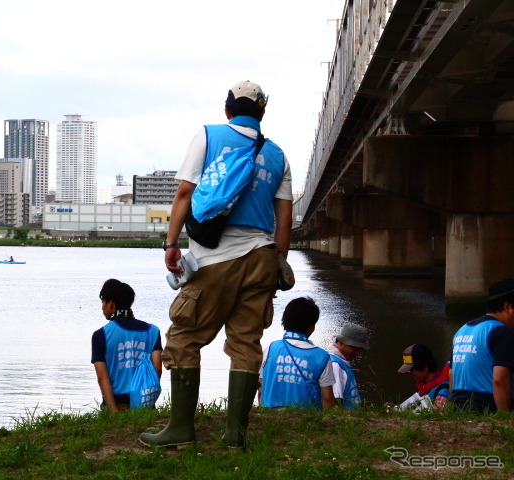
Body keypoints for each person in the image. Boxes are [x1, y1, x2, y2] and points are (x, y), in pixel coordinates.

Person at [139, 80, 293, 449]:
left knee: (185, 337)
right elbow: (284, 218)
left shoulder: (208, 136)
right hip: (262, 257)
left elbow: (184, 193)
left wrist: (171, 243)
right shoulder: (277, 155)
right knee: (245, 342)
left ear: (227, 110)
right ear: (262, 114)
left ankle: (180, 430)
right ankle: (235, 437)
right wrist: (280, 262)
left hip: (215, 258)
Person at [91, 279, 163, 412]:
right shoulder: (153, 331)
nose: (102, 307)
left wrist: (113, 410)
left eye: (103, 302)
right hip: (145, 402)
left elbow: (102, 377)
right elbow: (157, 369)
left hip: (117, 401)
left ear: (111, 304)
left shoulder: (100, 335)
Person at [450, 279, 514, 413]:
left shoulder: (462, 330)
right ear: (508, 307)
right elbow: (499, 379)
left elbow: (451, 374)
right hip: (487, 407)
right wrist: (505, 418)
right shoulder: (502, 332)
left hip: (459, 406)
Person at [260, 297, 335, 410]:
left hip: (270, 418)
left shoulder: (268, 348)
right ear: (311, 327)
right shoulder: (322, 356)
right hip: (305, 421)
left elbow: (260, 388)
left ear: (284, 321)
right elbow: (328, 400)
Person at [390, 344, 449, 412]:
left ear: (425, 367)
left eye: (412, 369)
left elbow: (439, 415)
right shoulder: (423, 389)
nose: (410, 373)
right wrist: (396, 409)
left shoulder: (443, 389)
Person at [326, 324, 369, 410]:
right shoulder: (335, 365)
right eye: (354, 348)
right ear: (341, 342)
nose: (357, 353)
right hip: (348, 420)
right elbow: (334, 405)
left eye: (360, 349)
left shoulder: (342, 361)